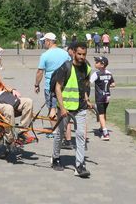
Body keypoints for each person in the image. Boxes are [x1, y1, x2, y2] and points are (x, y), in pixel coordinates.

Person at [51, 41, 93, 178]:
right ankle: (55, 157)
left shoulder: (87, 67)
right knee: (60, 134)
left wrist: (87, 100)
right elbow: (58, 87)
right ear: (73, 52)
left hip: (80, 107)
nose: (82, 56)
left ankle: (80, 165)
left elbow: (84, 85)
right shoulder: (66, 67)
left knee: (80, 135)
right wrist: (61, 107)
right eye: (79, 54)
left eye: (84, 54)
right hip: (65, 108)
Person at [34, 32, 70, 119]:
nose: (44, 43)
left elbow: (40, 72)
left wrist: (36, 84)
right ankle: (63, 129)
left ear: (49, 41)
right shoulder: (65, 53)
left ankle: (53, 132)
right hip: (63, 84)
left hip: (50, 85)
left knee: (52, 109)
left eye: (44, 41)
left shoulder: (45, 55)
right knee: (62, 107)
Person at [90, 56, 115, 141]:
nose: (95, 63)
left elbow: (89, 82)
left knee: (100, 114)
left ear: (102, 65)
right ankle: (101, 127)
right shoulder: (109, 73)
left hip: (100, 96)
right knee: (104, 112)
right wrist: (107, 85)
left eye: (97, 62)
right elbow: (113, 84)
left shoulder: (96, 74)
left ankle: (105, 133)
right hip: (107, 95)